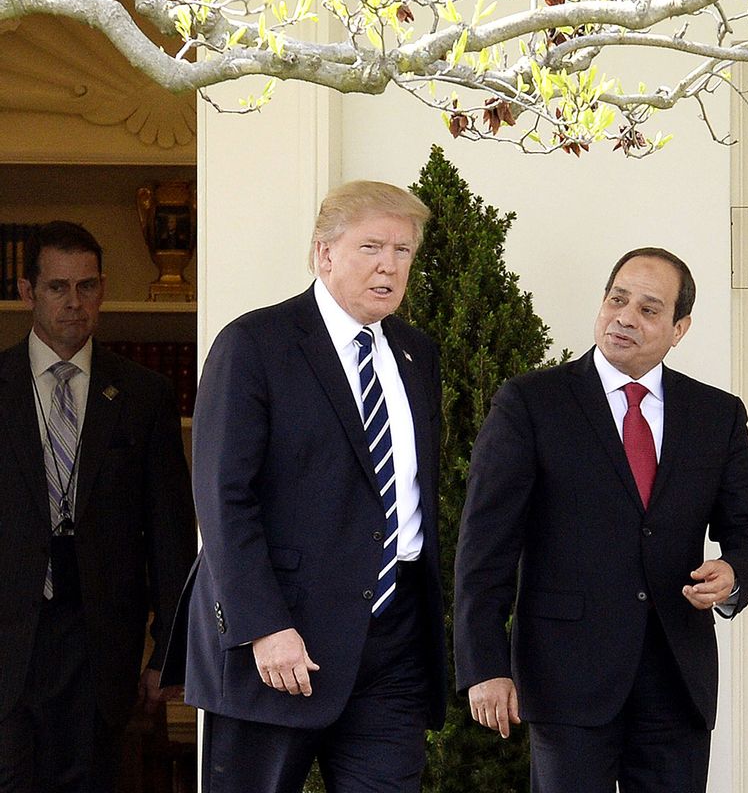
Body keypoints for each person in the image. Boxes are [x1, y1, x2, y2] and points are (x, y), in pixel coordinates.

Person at [454, 247, 748, 792]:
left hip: (676, 678)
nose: (626, 317)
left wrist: (732, 574)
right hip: (566, 676)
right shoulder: (532, 403)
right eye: (618, 299)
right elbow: (484, 546)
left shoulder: (715, 415)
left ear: (680, 328)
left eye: (649, 309)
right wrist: (485, 665)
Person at [166, 180, 446, 792]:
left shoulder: (415, 355)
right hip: (282, 643)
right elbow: (222, 499)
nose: (389, 265)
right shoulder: (255, 344)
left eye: (403, 251)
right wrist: (264, 625)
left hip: (393, 644)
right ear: (323, 253)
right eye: (372, 246)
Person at [0, 220, 196, 792]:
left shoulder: (143, 394)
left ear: (104, 289)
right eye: (58, 287)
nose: (74, 303)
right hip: (10, 641)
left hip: (101, 647)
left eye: (87, 286)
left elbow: (170, 533)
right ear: (26, 291)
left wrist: (169, 652)